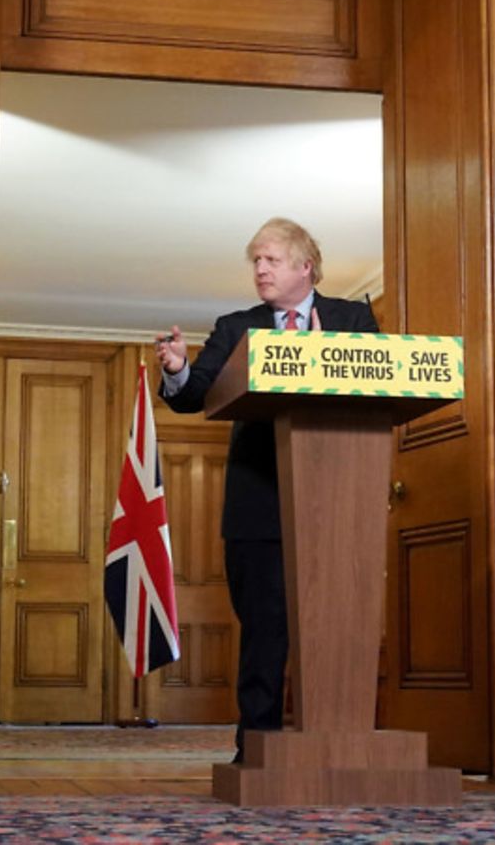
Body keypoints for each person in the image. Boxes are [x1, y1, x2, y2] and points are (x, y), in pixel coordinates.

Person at [154, 218, 378, 763]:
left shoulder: (353, 318)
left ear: (307, 266)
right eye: (255, 260)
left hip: (339, 504)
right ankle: (257, 750)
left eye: (271, 259)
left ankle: (341, 747)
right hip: (259, 507)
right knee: (264, 634)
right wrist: (180, 369)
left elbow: (379, 386)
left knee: (338, 631)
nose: (260, 270)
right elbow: (193, 397)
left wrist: (327, 361)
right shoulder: (237, 327)